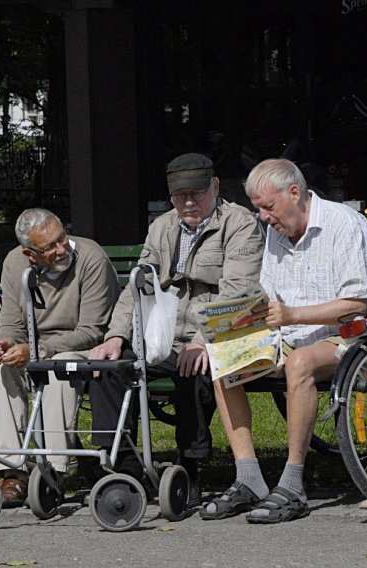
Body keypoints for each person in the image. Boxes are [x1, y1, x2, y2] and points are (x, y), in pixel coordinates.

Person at [201, 158, 367, 524]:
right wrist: (239, 319)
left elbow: (357, 304)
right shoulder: (276, 232)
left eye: (268, 207)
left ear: (295, 193)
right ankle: (248, 478)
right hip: (290, 335)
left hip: (353, 337)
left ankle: (292, 485)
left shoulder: (344, 225)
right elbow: (271, 296)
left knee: (302, 361)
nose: (264, 217)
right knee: (224, 358)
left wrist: (291, 316)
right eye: (258, 208)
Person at [88, 153, 264, 504]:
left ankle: (189, 466)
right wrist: (116, 335)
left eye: (196, 193)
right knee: (110, 367)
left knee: (197, 368)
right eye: (179, 195)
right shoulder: (163, 226)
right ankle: (123, 469)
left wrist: (202, 340)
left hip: (212, 333)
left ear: (214, 187)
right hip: (161, 335)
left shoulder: (239, 224)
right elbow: (137, 285)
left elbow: (238, 291)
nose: (187, 202)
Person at [0, 208, 120, 507]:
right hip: (36, 347)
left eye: (62, 238)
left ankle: (54, 470)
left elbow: (93, 330)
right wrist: (5, 343)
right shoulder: (14, 263)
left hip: (83, 346)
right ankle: (13, 471)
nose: (62, 249)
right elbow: (10, 321)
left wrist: (38, 351)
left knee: (60, 367)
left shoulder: (91, 258)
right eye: (50, 247)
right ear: (30, 253)